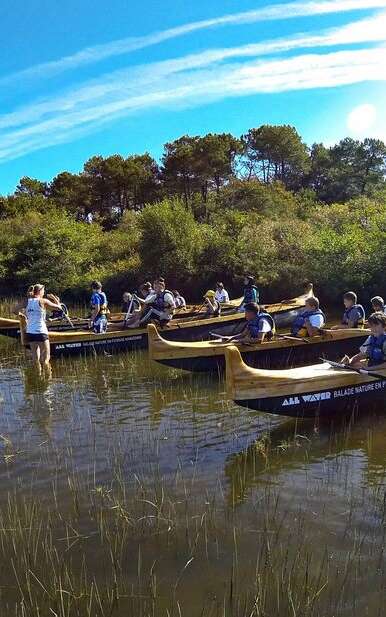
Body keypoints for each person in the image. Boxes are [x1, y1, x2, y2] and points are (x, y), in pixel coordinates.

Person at [25, 284, 62, 368]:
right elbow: (59, 308)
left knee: (35, 360)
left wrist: (23, 316)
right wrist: (54, 299)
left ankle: (38, 379)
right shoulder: (43, 301)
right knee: (46, 360)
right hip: (41, 332)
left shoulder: (27, 301)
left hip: (30, 333)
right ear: (39, 291)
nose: (44, 292)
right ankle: (47, 380)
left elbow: (14, 310)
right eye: (43, 291)